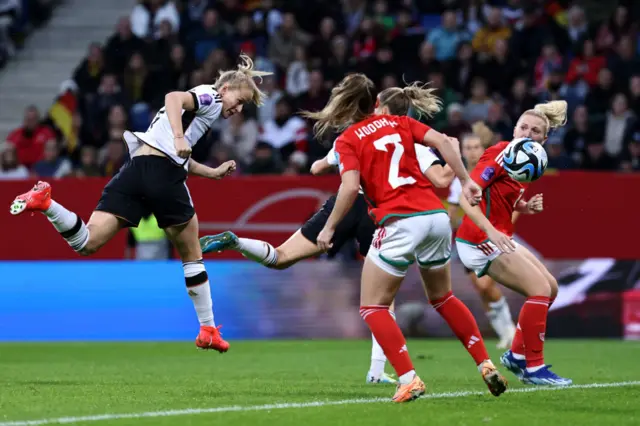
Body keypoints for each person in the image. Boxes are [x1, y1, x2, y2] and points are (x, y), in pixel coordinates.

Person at [9, 54, 271, 353]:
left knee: (87, 242)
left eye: (243, 107)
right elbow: (173, 98)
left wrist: (210, 172)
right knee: (191, 252)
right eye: (239, 100)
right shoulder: (210, 95)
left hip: (135, 170)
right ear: (225, 89)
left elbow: (175, 150)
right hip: (163, 174)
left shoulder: (203, 113)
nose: (238, 109)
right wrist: (178, 137)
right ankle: (208, 328)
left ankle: (46, 204)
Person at [199, 89, 456, 384]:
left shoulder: (354, 135)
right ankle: (377, 371)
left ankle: (238, 241)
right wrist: (454, 157)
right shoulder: (411, 139)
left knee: (281, 257)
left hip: (344, 206)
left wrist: (333, 169)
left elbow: (317, 166)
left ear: (377, 106)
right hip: (381, 212)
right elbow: (441, 179)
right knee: (384, 299)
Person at [304, 74, 507, 402]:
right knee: (443, 298)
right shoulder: (399, 123)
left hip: (401, 221)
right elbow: (446, 143)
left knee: (373, 307)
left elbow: (349, 186)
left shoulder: (348, 139)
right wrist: (467, 179)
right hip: (436, 217)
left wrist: (328, 228)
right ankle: (485, 363)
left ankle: (409, 378)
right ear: (374, 104)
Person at [455, 100, 572, 386]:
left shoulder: (528, 161)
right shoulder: (499, 154)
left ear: (544, 139)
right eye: (523, 127)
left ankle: (518, 355)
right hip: (479, 239)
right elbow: (466, 197)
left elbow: (502, 196)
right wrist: (490, 231)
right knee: (540, 289)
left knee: (551, 288)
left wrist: (524, 205)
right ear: (514, 128)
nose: (527, 133)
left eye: (535, 131)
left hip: (497, 235)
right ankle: (533, 367)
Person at [448, 123, 516, 349]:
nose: (472, 151)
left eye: (476, 146)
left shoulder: (493, 172)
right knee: (481, 288)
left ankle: (510, 331)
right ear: (463, 151)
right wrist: (454, 227)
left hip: (490, 238)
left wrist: (502, 231)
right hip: (468, 240)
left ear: (482, 148)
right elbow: (453, 212)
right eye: (467, 147)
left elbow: (511, 204)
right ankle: (504, 333)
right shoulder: (458, 179)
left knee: (486, 285)